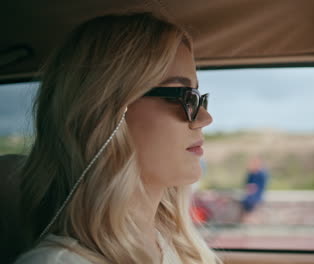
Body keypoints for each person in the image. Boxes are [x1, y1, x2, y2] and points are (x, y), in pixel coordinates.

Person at [13, 13, 220, 264]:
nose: (205, 118)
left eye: (198, 96)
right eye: (184, 96)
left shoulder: (179, 247)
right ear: (108, 111)